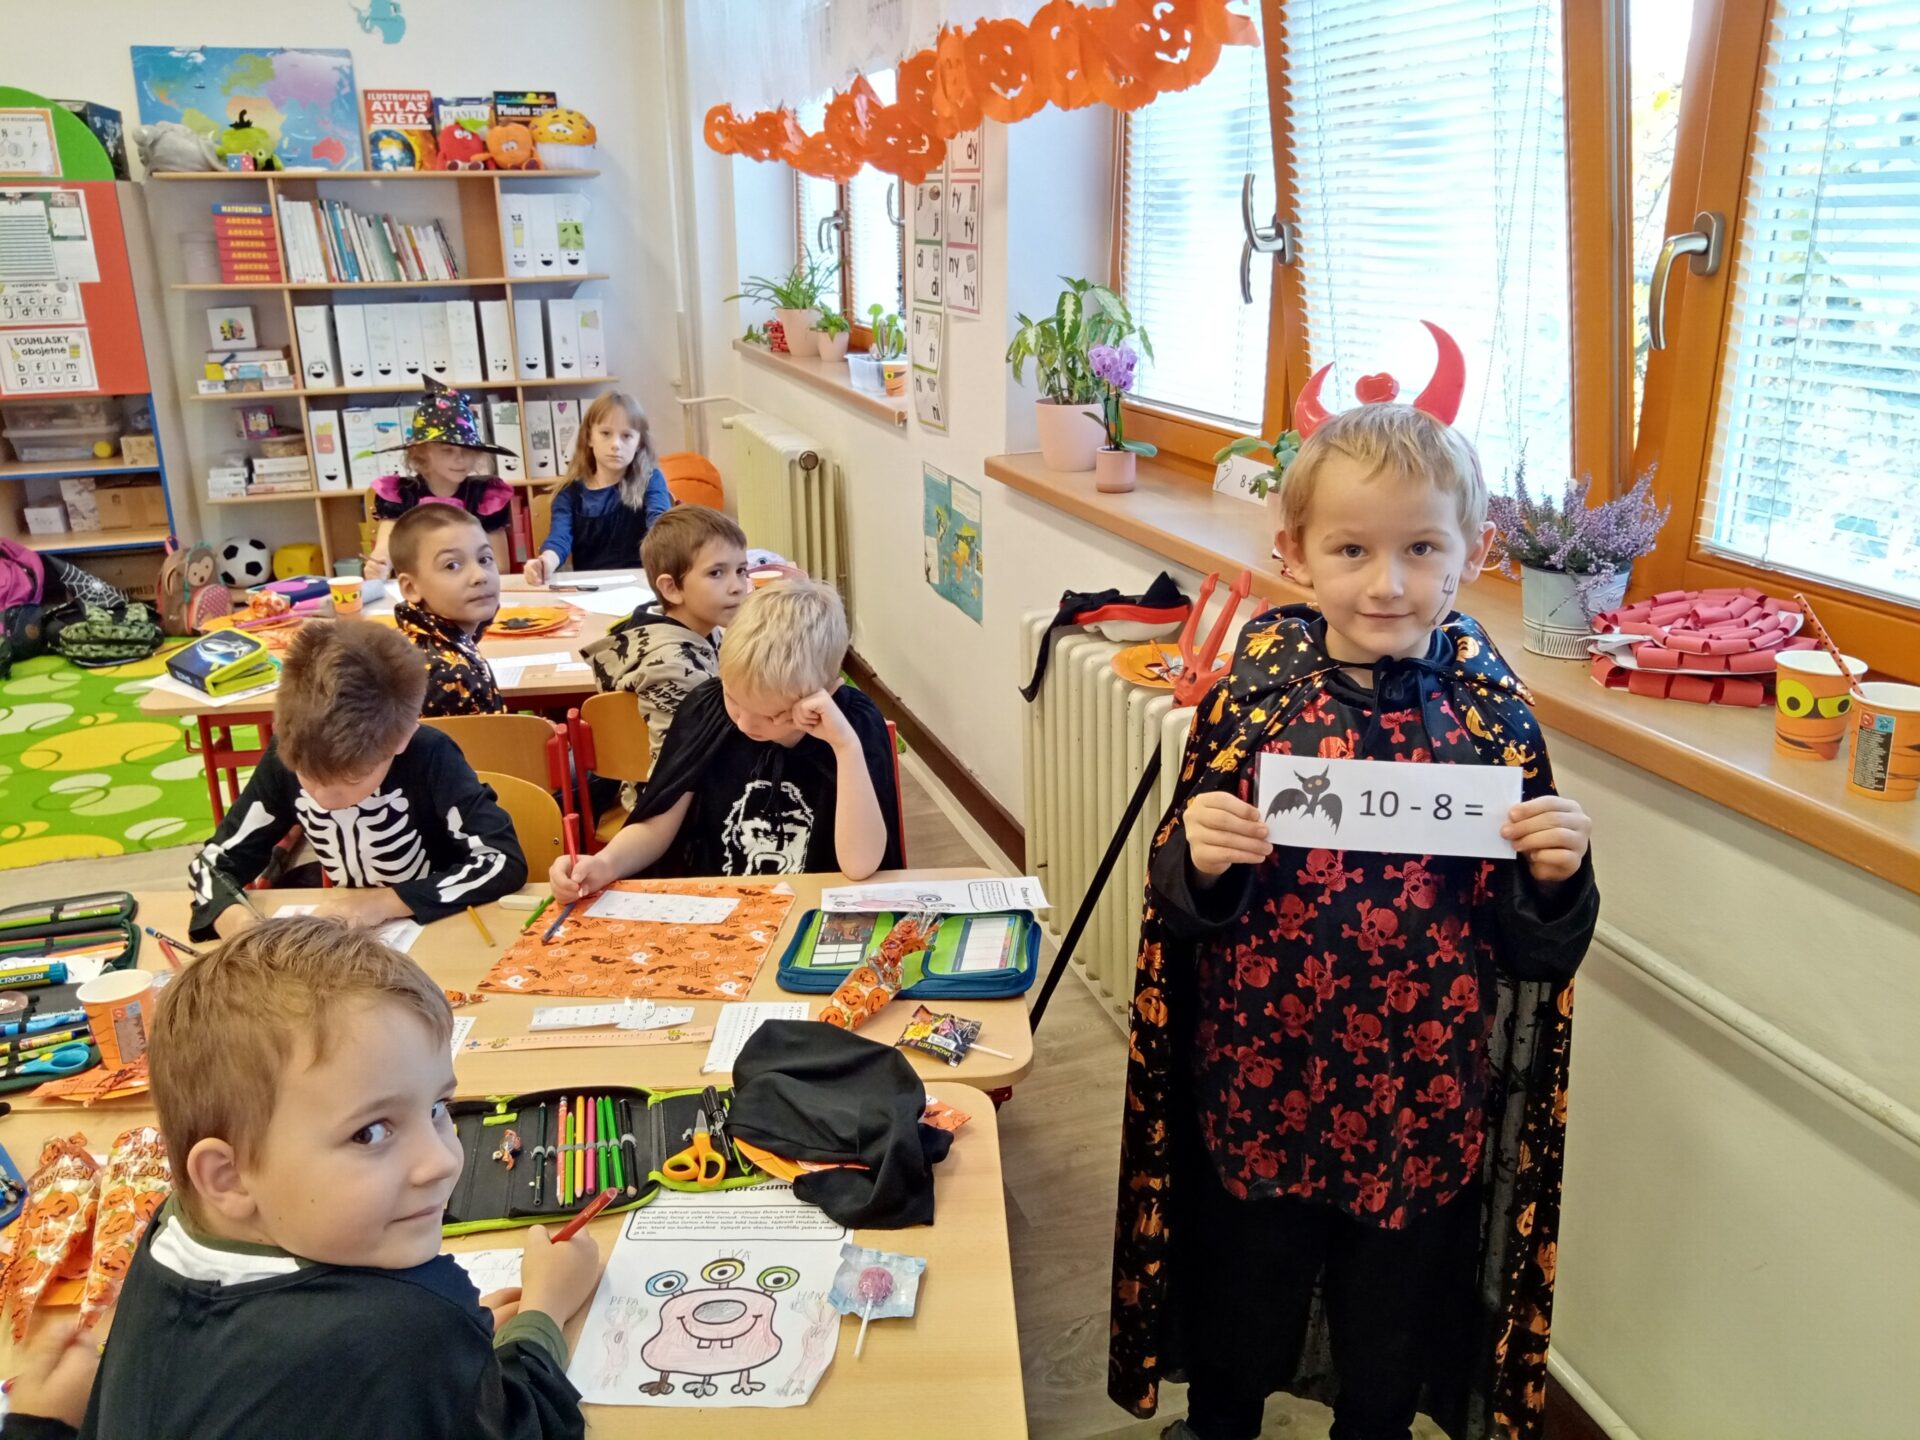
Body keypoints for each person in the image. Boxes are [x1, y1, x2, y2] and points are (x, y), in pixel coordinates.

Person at [1108, 397, 1599, 1440]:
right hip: (1263, 1072)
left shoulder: (1493, 717)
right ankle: (1223, 1423)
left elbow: (1533, 948)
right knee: (1245, 1298)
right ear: (1294, 552)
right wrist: (1200, 858)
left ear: (1474, 552)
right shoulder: (1257, 697)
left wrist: (1557, 879)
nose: (1387, 583)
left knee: (1391, 1327)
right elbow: (1180, 910)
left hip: (1421, 1094)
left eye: (1422, 548)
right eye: (1351, 548)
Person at [0, 916, 601, 1438]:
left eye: (438, 1107)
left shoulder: (171, 1229)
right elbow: (529, 1425)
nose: (443, 1161)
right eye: (370, 1132)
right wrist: (542, 1311)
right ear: (229, 1178)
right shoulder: (405, 1331)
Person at [185, 620, 527, 941]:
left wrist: (383, 903)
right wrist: (241, 927)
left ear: (402, 738)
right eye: (308, 777)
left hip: (444, 932)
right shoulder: (290, 750)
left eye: (351, 779)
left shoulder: (431, 755)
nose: (323, 797)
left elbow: (502, 860)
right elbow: (212, 865)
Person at [551, 578, 900, 889]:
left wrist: (844, 746)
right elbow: (657, 826)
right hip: (720, 905)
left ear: (824, 694)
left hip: (817, 907)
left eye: (772, 715)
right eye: (733, 698)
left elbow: (859, 866)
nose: (745, 723)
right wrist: (605, 864)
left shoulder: (853, 725)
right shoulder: (708, 707)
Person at [581, 506, 751, 786]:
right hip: (674, 801)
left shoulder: (703, 630)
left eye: (742, 570)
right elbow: (675, 771)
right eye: (717, 573)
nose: (737, 586)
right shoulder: (672, 667)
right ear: (671, 588)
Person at [364, 378, 516, 580]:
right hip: (422, 590)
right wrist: (380, 565)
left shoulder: (484, 498)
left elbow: (501, 566)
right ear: (421, 453)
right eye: (447, 450)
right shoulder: (402, 495)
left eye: (467, 450)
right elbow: (384, 550)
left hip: (471, 587)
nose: (460, 459)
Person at [523, 393, 673, 582]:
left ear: (639, 443)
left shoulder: (651, 479)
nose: (616, 445)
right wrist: (544, 563)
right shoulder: (569, 493)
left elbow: (660, 525)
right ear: (589, 438)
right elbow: (559, 540)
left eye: (627, 436)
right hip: (590, 588)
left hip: (642, 583)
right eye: (605, 433)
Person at [390, 503, 506, 717]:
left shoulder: (428, 638)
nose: (480, 576)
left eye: (484, 559)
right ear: (411, 588)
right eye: (452, 565)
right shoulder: (449, 674)